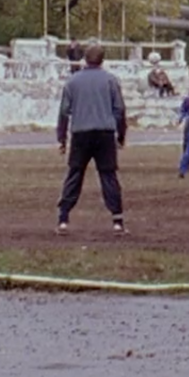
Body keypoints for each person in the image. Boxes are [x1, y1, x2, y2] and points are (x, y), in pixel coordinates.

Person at [55, 43, 128, 234]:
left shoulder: (73, 82)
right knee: (108, 175)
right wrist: (121, 135)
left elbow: (64, 112)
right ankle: (117, 220)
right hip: (104, 133)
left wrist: (61, 138)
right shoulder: (111, 81)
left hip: (80, 133)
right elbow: (119, 110)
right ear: (102, 60)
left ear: (84, 59)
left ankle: (63, 217)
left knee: (75, 174)